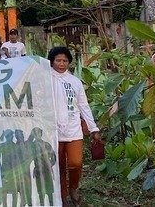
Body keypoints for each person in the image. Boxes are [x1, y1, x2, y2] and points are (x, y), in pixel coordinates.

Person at [49, 46, 101, 206]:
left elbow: (83, 106)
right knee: (58, 165)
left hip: (73, 129)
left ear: (69, 62)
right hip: (53, 130)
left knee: (75, 163)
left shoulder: (75, 82)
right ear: (51, 61)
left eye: (65, 61)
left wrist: (93, 128)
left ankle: (73, 187)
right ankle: (62, 195)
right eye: (58, 60)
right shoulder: (45, 79)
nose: (61, 64)